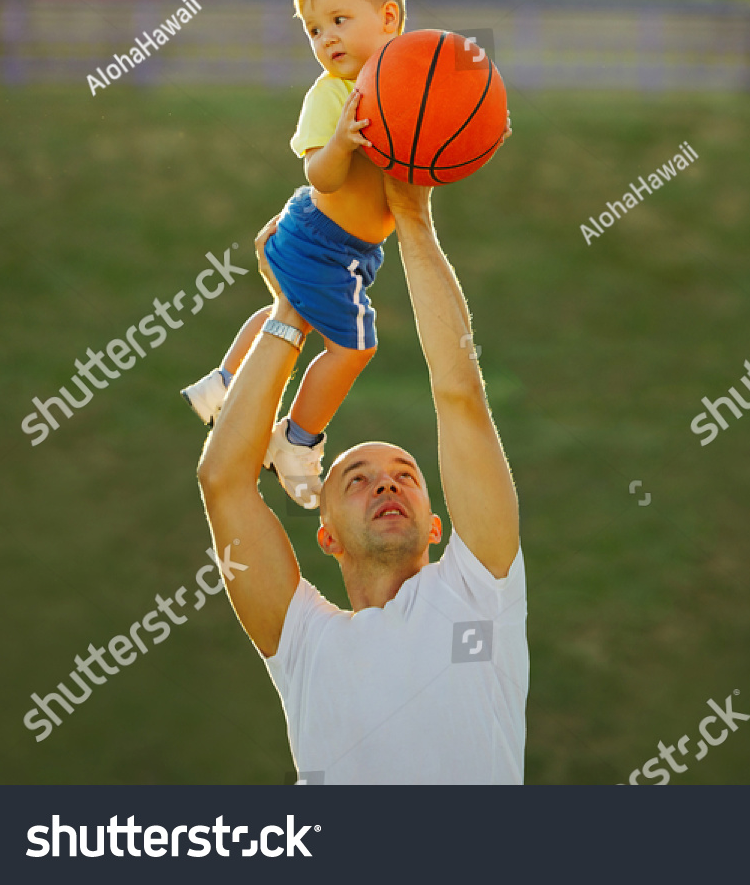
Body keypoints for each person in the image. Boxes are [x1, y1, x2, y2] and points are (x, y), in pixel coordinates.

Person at [196, 176, 528, 786]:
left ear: (436, 525)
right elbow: (225, 482)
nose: (386, 484)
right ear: (327, 538)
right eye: (355, 479)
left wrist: (413, 217)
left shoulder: (481, 591)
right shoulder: (302, 645)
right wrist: (292, 310)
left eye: (406, 475)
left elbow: (461, 395)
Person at [181, 0, 405, 506]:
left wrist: (475, 133)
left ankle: (227, 382)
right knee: (355, 347)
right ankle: (297, 441)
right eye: (313, 29)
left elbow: (432, 151)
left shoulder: (406, 90)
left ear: (388, 18)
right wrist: (342, 143)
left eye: (338, 19)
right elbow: (321, 177)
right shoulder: (333, 96)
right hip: (318, 238)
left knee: (298, 318)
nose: (325, 37)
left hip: (348, 250)